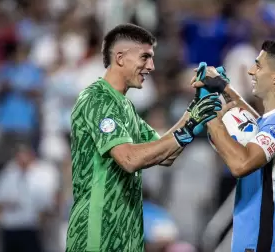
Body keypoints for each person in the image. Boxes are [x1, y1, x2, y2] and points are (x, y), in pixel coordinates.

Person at [65, 23, 222, 252]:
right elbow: (129, 160)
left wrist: (195, 108)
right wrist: (190, 121)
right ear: (120, 58)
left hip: (127, 233)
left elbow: (164, 153)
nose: (151, 66)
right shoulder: (97, 100)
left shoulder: (125, 107)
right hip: (97, 234)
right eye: (145, 58)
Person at [194, 40, 275, 252]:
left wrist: (210, 117)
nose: (251, 71)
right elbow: (258, 123)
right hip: (261, 240)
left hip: (267, 242)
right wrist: (223, 87)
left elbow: (241, 164)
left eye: (258, 66)